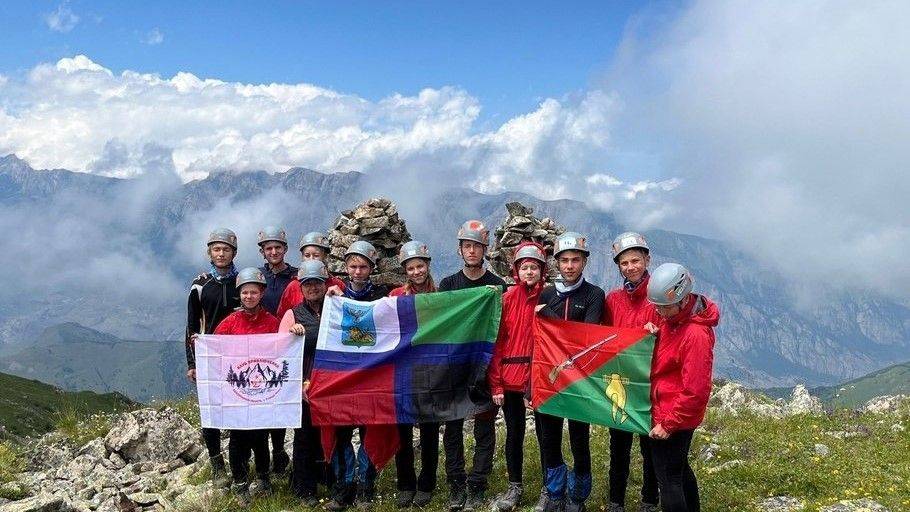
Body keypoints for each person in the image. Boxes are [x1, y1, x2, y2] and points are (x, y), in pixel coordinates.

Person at [436, 220, 506, 512]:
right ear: (460, 249)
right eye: (468, 246)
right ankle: (456, 484)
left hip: (485, 367)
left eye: (478, 246)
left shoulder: (497, 286)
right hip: (455, 367)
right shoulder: (448, 285)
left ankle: (478, 483)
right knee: (452, 428)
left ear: (485, 250)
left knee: (484, 428)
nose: (473, 251)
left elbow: (502, 328)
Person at [536, 232, 605, 512]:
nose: (569, 266)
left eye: (575, 260)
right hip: (549, 378)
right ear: (556, 263)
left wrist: (548, 317)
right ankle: (555, 493)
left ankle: (577, 497)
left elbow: (585, 338)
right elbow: (540, 341)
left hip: (579, 381)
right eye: (564, 260)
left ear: (584, 262)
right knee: (549, 439)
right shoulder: (547, 293)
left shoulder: (594, 295)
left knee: (579, 439)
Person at [644, 263, 718, 512]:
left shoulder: (695, 334)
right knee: (679, 470)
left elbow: (696, 389)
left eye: (664, 307)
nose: (659, 312)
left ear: (682, 297)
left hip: (674, 415)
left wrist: (669, 424)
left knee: (668, 479)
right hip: (665, 408)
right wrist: (653, 334)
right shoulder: (673, 320)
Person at [325, 240, 391, 511]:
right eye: (352, 266)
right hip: (342, 376)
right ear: (345, 267)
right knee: (341, 432)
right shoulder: (335, 297)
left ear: (371, 268)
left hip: (372, 375)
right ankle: (344, 486)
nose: (357, 271)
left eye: (363, 266)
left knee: (369, 431)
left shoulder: (383, 295)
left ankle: (366, 485)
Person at [488, 242, 548, 512]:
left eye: (534, 267)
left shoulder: (549, 298)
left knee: (547, 436)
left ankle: (550, 488)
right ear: (516, 271)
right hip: (511, 379)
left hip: (540, 379)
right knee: (514, 434)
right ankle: (515, 485)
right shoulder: (507, 299)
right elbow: (498, 343)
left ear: (542, 270)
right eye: (524, 267)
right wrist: (496, 383)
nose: (529, 272)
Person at [603, 232, 660, 512]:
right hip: (621, 384)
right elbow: (601, 339)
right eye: (624, 263)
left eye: (635, 260)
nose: (630, 267)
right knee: (619, 448)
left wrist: (657, 334)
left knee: (650, 449)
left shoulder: (660, 296)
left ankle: (649, 501)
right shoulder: (613, 300)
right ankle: (616, 502)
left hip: (651, 385)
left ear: (647, 260)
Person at [214, 267, 280, 504]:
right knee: (238, 438)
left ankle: (263, 477)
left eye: (253, 292)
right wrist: (201, 344)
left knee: (261, 436)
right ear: (239, 295)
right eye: (244, 293)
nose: (249, 297)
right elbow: (215, 350)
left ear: (261, 293)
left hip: (263, 392)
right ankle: (240, 483)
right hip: (237, 393)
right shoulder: (230, 322)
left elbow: (284, 350)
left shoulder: (273, 322)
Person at [184, 228, 241, 487]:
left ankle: (239, 462)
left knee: (240, 407)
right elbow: (191, 326)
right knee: (210, 411)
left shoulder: (244, 282)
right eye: (216, 249)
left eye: (225, 249)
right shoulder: (200, 285)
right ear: (209, 252)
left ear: (234, 253)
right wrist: (192, 363)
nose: (221, 254)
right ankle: (217, 463)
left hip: (239, 356)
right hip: (209, 356)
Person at [279, 260, 334, 507]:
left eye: (317, 283)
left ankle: (332, 482)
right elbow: (280, 353)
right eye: (307, 284)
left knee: (332, 436)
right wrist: (292, 334)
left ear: (325, 285)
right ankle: (305, 489)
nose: (312, 288)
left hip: (333, 385)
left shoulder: (336, 308)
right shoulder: (292, 314)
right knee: (304, 438)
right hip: (304, 386)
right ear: (300, 288)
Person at [389, 241, 439, 508]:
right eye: (411, 267)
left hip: (431, 372)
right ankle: (405, 484)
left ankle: (427, 483)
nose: (417, 271)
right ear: (405, 270)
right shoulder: (396, 296)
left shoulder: (441, 297)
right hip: (403, 373)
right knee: (403, 430)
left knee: (430, 430)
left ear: (428, 265)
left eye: (420, 266)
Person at [257, 226, 297, 474]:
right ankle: (268, 454)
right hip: (260, 345)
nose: (273, 252)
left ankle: (280, 449)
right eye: (268, 248)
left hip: (287, 345)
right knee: (263, 396)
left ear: (285, 249)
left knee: (280, 398)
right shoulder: (257, 277)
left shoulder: (295, 277)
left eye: (277, 247)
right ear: (262, 252)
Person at [276, 231, 345, 319]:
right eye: (307, 255)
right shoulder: (293, 286)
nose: (311, 259)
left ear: (325, 256)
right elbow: (282, 317)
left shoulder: (337, 284)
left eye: (316, 255)